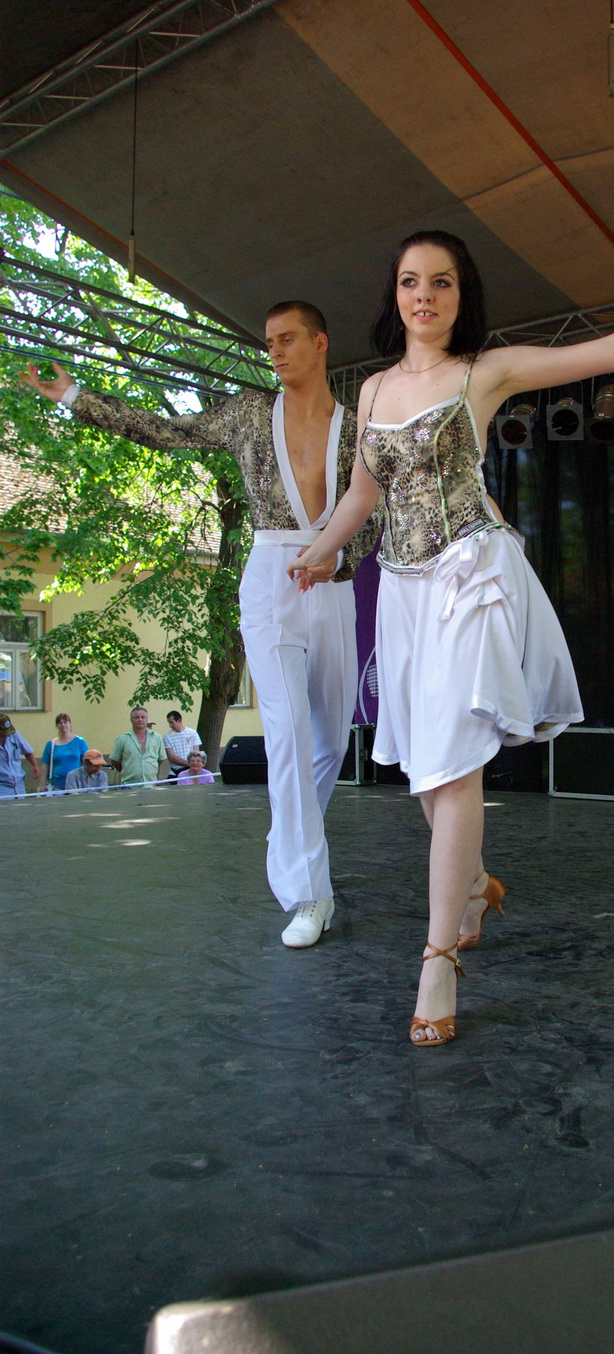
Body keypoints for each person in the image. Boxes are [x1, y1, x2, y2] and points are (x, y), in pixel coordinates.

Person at [288, 229, 614, 1046]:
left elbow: (605, 352)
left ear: (461, 294)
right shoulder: (369, 392)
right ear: (394, 295)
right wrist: (320, 550)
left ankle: (438, 958)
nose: (424, 296)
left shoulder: (484, 372)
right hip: (401, 592)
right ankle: (475, 886)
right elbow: (362, 495)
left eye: (441, 282)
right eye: (410, 281)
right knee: (425, 778)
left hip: (469, 575)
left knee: (454, 765)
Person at [20, 301, 382, 947]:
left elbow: (374, 512)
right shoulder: (248, 413)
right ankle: (309, 893)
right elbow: (168, 431)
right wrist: (74, 395)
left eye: (287, 339)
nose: (274, 351)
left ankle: (290, 838)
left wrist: (342, 558)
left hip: (330, 583)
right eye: (268, 341)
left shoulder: (357, 427)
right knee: (288, 734)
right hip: (271, 576)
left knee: (331, 740)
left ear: (321, 342)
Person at [109, 706, 168, 784]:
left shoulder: (157, 738)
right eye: (136, 717)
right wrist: (127, 770)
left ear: (147, 719)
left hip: (150, 784)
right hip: (129, 785)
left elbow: (161, 759)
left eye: (143, 717)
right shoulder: (122, 739)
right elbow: (114, 760)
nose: (140, 720)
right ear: (131, 720)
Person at [39, 712, 89, 793]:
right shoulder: (51, 744)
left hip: (76, 784)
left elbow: (87, 762)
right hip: (57, 786)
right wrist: (42, 785)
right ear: (57, 726)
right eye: (60, 723)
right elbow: (45, 766)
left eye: (65, 722)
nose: (63, 725)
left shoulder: (79, 741)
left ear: (70, 724)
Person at [0, 715, 40, 798]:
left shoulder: (14, 735)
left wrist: (35, 765)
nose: (7, 735)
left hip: (19, 786)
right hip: (2, 788)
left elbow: (28, 751)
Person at [163, 710, 201, 778]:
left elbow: (196, 753)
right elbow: (171, 757)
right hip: (175, 771)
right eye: (169, 722)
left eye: (171, 722)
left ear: (179, 720)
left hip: (190, 771)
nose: (170, 725)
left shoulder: (192, 733)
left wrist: (193, 764)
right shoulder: (167, 737)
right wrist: (189, 764)